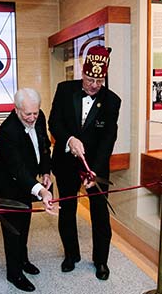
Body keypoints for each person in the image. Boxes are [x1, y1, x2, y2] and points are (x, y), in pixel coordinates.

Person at [48, 45, 121, 280]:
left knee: (100, 214)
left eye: (99, 80)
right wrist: (69, 139)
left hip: (95, 167)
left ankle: (101, 261)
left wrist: (95, 172)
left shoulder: (112, 101)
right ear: (82, 72)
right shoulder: (64, 90)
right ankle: (71, 255)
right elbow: (53, 122)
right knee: (67, 210)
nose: (94, 85)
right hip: (66, 163)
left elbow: (108, 139)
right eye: (90, 78)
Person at [0, 88, 55, 292]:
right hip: (7, 187)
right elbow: (17, 168)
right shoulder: (8, 131)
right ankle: (14, 273)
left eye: (35, 112)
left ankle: (23, 260)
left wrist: (45, 171)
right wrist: (41, 191)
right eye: (28, 114)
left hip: (27, 184)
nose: (33, 118)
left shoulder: (38, 116)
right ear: (16, 110)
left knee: (24, 224)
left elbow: (44, 145)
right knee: (13, 231)